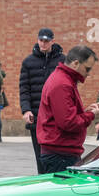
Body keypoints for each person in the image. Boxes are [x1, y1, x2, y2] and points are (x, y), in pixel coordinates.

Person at [36, 45, 99, 174]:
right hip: (60, 154)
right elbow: (69, 123)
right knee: (62, 193)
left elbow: (66, 116)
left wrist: (85, 112)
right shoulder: (62, 83)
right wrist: (91, 114)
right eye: (87, 68)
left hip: (60, 152)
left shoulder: (63, 79)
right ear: (75, 63)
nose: (88, 73)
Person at [20, 28, 65, 168]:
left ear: (52, 41)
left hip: (57, 116)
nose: (43, 44)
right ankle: (42, 181)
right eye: (41, 40)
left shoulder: (63, 60)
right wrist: (26, 110)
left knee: (57, 154)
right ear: (37, 40)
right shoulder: (28, 61)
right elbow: (24, 88)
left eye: (46, 41)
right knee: (40, 156)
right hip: (37, 115)